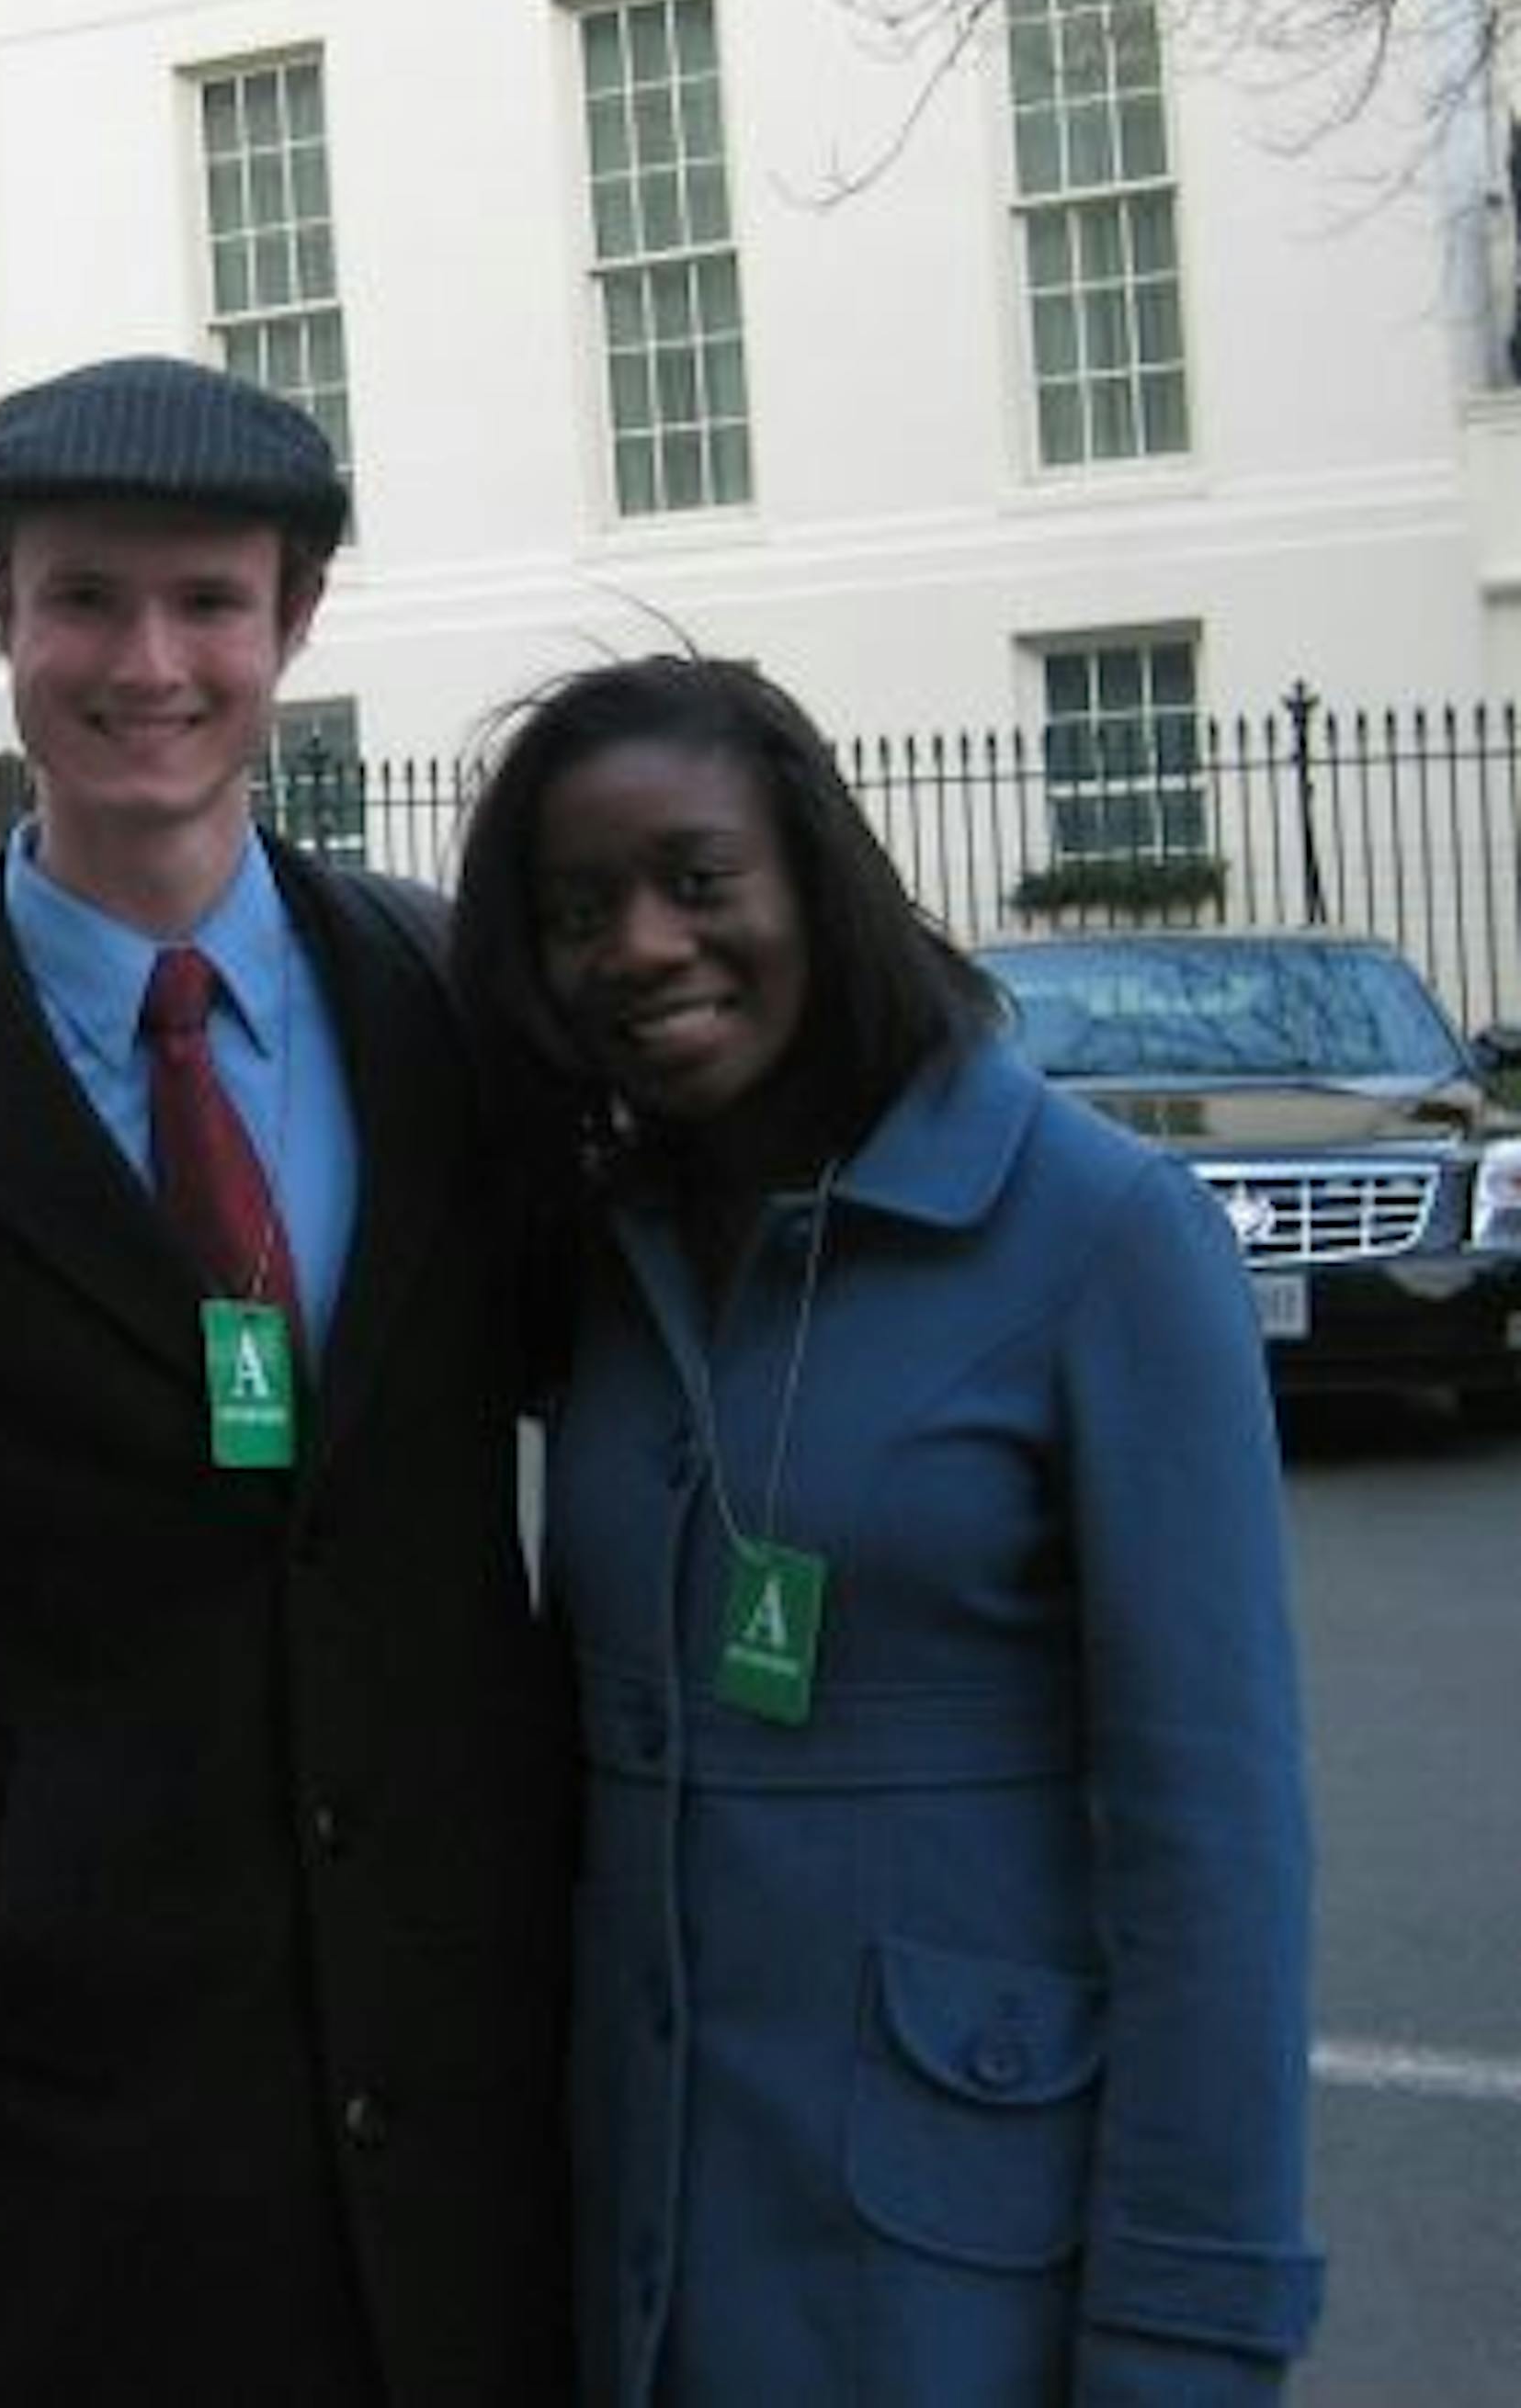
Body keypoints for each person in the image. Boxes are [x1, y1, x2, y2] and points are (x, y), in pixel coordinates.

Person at [0, 355, 573, 2407]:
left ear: (295, 624)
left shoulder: (462, 1020)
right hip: (60, 2164)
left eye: (209, 602)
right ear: (0, 611)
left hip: (468, 2111)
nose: (147, 662)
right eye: (85, 597)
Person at [448, 651, 1323, 2406]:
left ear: (817, 884)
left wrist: (1187, 2327)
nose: (639, 943)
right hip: (634, 2251)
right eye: (576, 909)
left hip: (954, 2275)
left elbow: (1214, 1846)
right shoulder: (610, 1252)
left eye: (699, 881)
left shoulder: (1104, 1238)